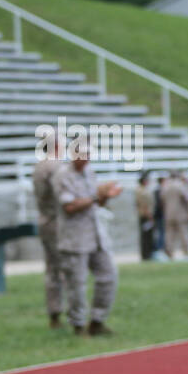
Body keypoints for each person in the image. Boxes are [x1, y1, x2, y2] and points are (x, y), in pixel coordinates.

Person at [50, 134, 122, 336]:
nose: (87, 156)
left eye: (89, 152)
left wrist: (105, 197)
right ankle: (78, 325)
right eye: (83, 152)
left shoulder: (89, 172)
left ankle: (98, 321)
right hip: (74, 238)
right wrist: (96, 196)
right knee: (77, 284)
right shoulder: (62, 175)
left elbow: (95, 202)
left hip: (96, 234)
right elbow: (70, 206)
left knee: (108, 276)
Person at [31, 133, 68, 327]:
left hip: (44, 220)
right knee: (66, 267)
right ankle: (72, 313)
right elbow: (62, 195)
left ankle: (54, 313)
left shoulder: (39, 166)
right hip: (57, 221)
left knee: (52, 269)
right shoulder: (55, 167)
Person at [161, 170, 188, 259]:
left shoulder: (165, 186)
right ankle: (187, 252)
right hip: (180, 214)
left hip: (168, 213)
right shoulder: (180, 185)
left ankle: (169, 253)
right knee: (184, 233)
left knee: (169, 234)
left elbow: (162, 199)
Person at [135, 171, 156, 261]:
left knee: (148, 236)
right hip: (145, 216)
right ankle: (146, 255)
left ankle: (148, 254)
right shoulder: (141, 191)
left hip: (146, 215)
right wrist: (149, 216)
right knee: (146, 237)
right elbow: (144, 205)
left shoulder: (142, 189)